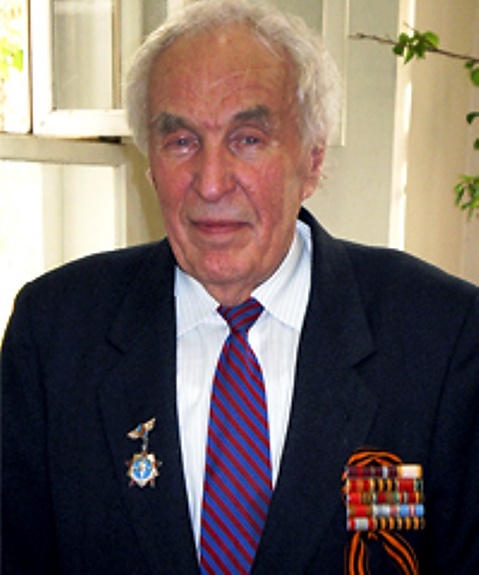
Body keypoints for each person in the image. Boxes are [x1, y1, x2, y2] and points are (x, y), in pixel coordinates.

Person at [2, 0, 478, 573]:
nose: (210, 182)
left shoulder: (440, 335)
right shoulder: (54, 334)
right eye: (181, 141)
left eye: (248, 139)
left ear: (313, 159)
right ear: (150, 163)